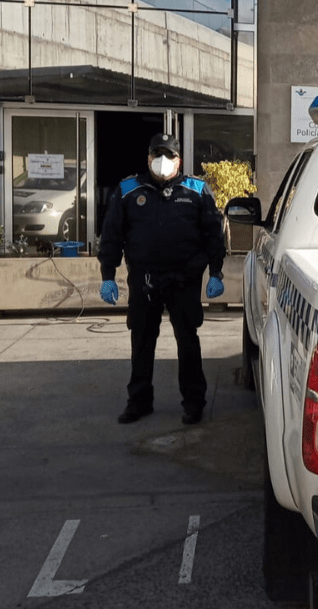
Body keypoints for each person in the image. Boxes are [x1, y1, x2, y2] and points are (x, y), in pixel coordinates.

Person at [98, 132, 226, 426]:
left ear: (179, 161)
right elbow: (112, 234)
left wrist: (216, 272)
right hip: (144, 279)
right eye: (158, 154)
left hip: (184, 279)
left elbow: (213, 235)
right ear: (148, 158)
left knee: (187, 341)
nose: (163, 160)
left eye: (169, 155)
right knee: (141, 341)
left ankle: (194, 403)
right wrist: (108, 275)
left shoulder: (197, 190)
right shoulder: (128, 190)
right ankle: (139, 401)